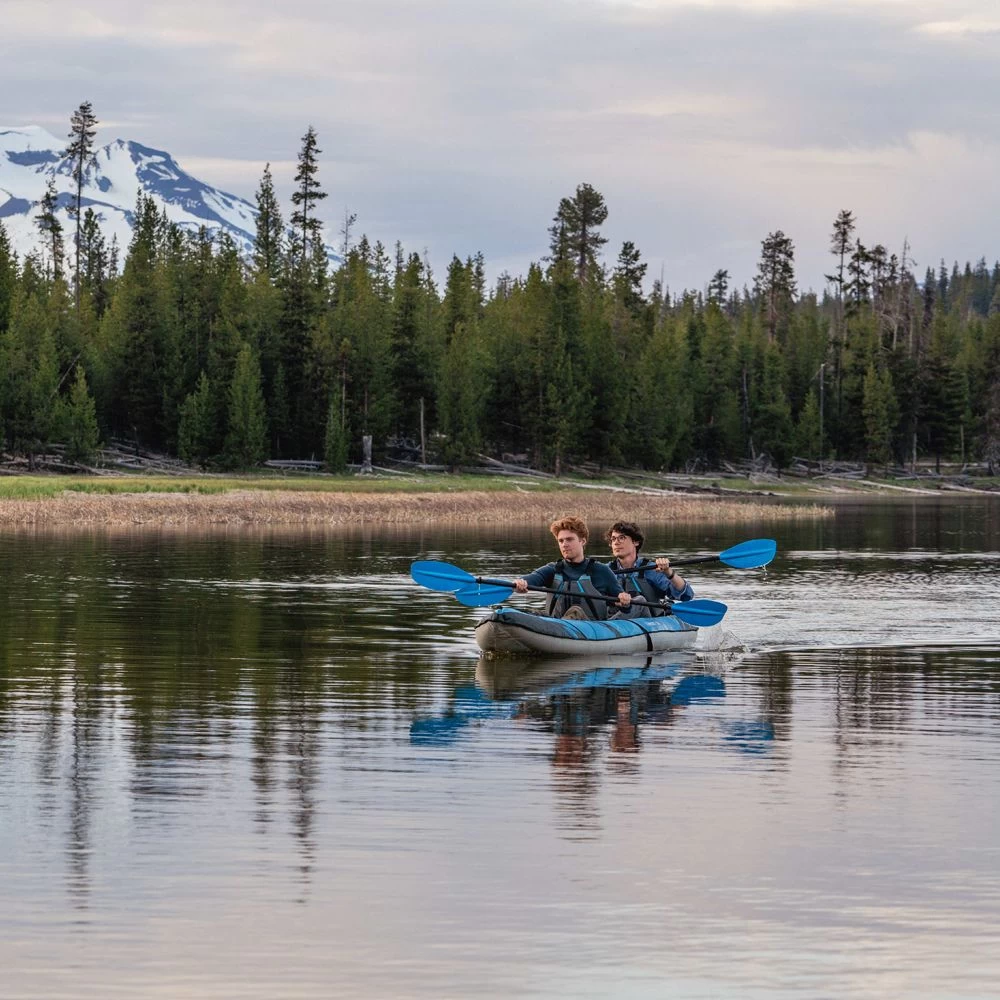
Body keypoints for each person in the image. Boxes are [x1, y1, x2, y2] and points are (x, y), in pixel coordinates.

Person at [513, 516, 630, 620]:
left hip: (591, 631)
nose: (564, 544)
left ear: (582, 541)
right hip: (555, 627)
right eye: (561, 541)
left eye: (569, 539)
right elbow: (531, 579)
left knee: (576, 612)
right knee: (525, 613)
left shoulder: (602, 571)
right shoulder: (552, 569)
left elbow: (624, 607)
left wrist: (624, 601)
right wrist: (519, 583)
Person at [605, 521, 694, 617]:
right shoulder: (605, 571)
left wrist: (669, 572)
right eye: (613, 539)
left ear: (636, 542)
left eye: (621, 538)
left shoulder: (651, 570)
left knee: (639, 601)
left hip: (649, 622)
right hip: (615, 621)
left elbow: (686, 596)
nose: (616, 542)